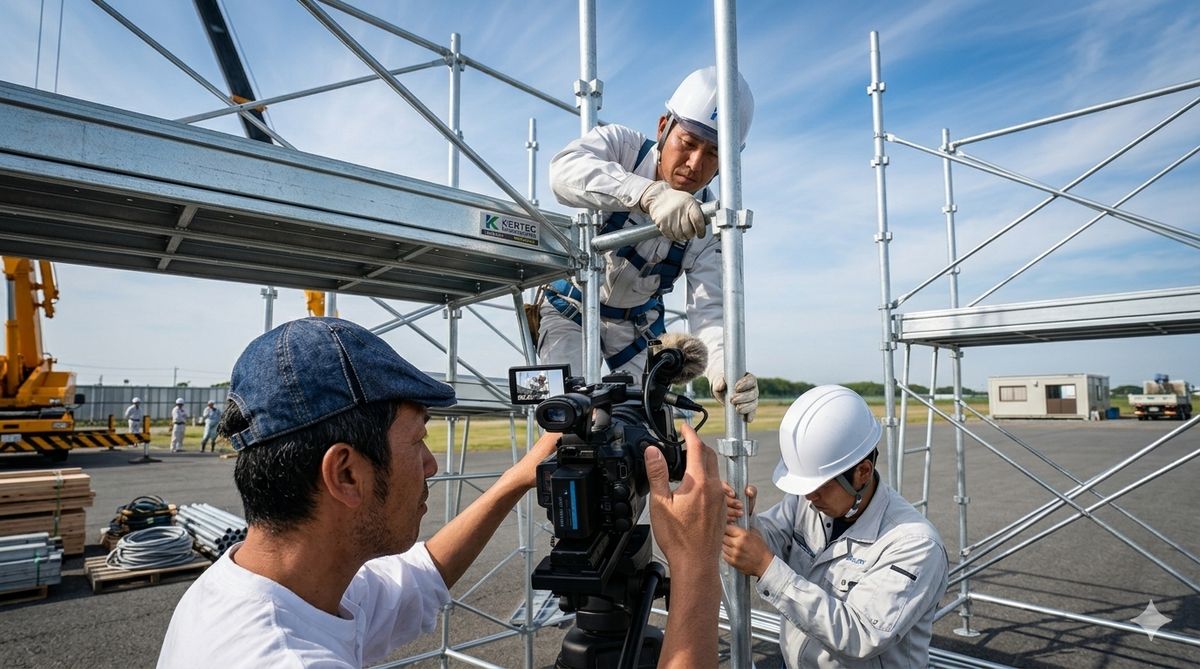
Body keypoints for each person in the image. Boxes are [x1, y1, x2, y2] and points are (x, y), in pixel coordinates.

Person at [157, 317, 728, 668]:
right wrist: (697, 565)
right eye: (417, 443)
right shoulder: (283, 659)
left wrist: (515, 479)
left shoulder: (259, 589)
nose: (431, 465)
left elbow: (416, 580)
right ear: (346, 474)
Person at [541, 66, 760, 421]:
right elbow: (563, 173)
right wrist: (646, 193)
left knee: (651, 431)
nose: (694, 164)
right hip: (572, 309)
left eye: (713, 154)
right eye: (687, 143)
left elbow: (710, 310)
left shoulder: (707, 223)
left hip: (635, 327)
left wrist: (724, 370)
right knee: (568, 420)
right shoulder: (621, 148)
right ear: (663, 128)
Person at [722, 385, 949, 668]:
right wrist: (747, 519)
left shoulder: (914, 544)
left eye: (820, 487)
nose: (809, 496)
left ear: (863, 471)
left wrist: (767, 569)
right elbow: (771, 537)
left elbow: (861, 635)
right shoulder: (807, 501)